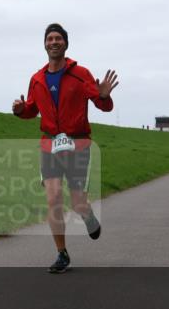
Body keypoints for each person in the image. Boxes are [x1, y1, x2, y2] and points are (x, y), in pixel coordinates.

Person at [12, 23, 119, 273]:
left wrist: (103, 95)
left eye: (58, 38)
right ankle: (62, 254)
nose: (53, 42)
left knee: (78, 201)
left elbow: (104, 106)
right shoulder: (37, 79)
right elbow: (31, 109)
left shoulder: (80, 74)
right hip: (50, 144)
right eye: (49, 38)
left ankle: (88, 216)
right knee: (53, 198)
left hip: (78, 143)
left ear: (65, 43)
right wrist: (20, 110)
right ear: (45, 45)